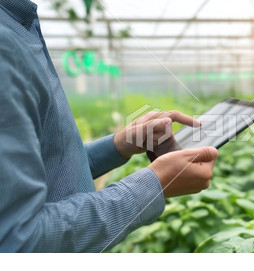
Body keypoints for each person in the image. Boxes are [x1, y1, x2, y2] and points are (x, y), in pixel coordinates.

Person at [0, 0, 218, 252]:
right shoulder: (5, 43)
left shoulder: (18, 21)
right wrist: (154, 183)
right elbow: (19, 242)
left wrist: (116, 146)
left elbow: (47, 171)